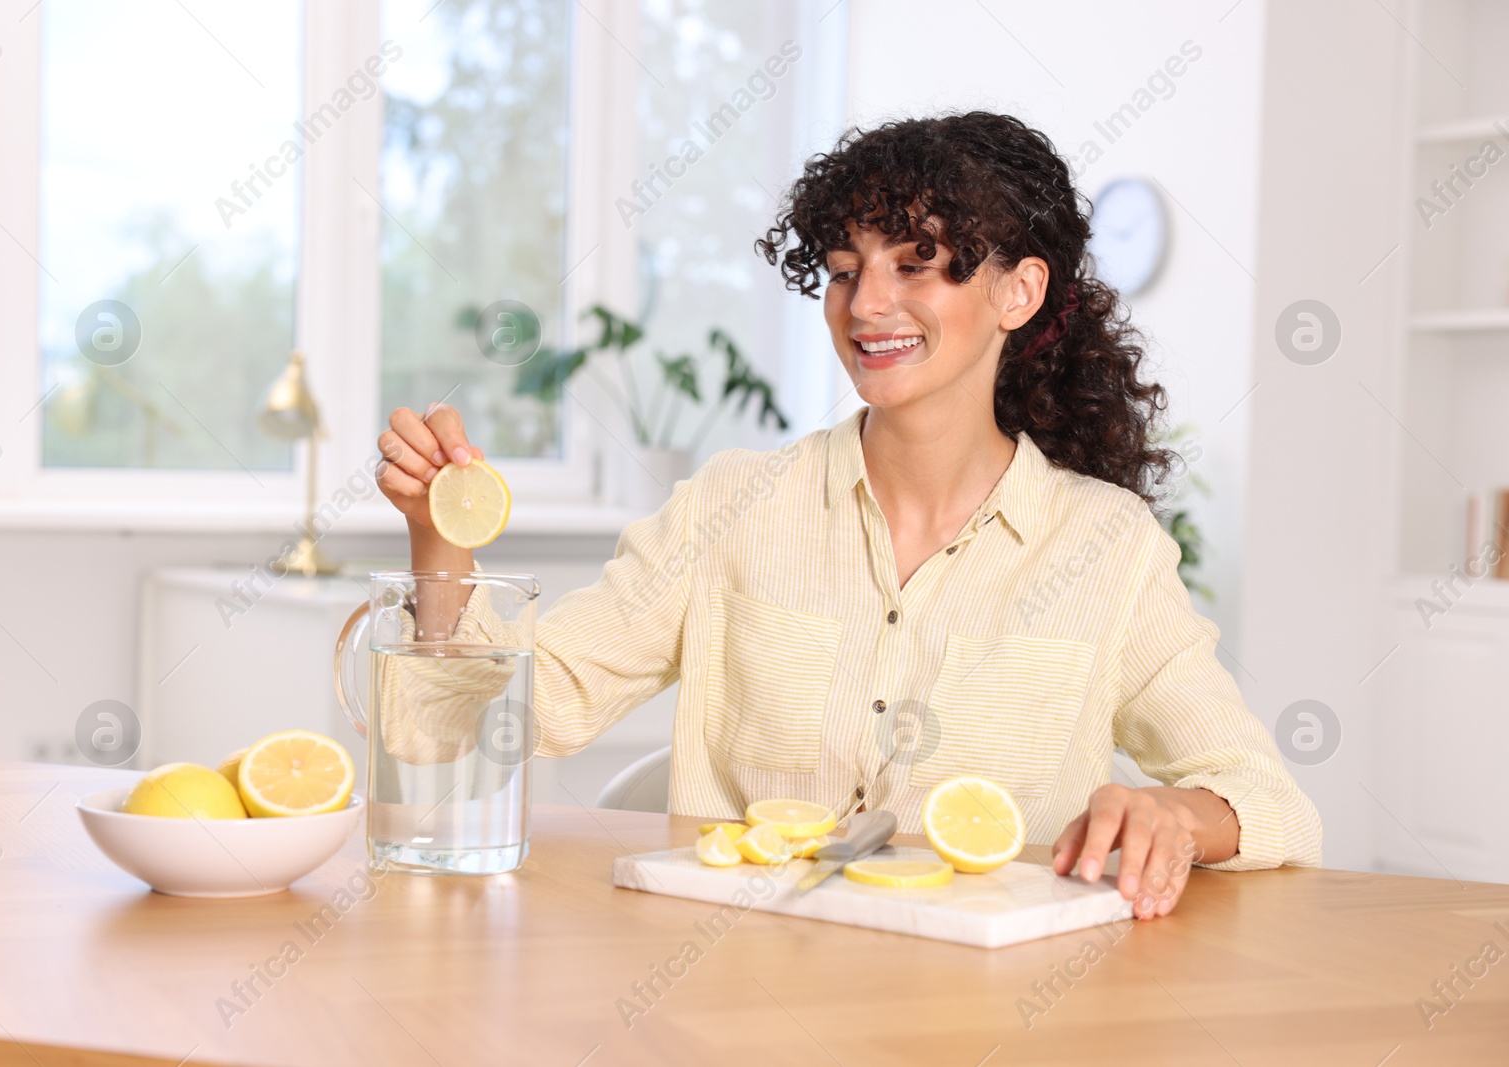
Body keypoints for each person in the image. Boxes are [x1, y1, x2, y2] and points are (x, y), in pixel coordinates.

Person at [372, 111, 1321, 920]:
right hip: (739, 1002)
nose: (867, 304)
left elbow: (1271, 800)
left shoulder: (1109, 549)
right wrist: (437, 538)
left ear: (1018, 292)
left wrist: (1180, 818)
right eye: (842, 268)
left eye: (919, 265)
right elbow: (460, 728)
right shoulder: (733, 507)